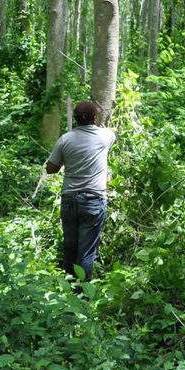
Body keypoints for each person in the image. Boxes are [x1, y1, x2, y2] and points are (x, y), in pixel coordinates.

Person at [45, 100, 116, 281]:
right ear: (94, 118)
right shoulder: (105, 136)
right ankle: (82, 293)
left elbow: (50, 169)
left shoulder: (65, 139)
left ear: (75, 119)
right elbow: (110, 133)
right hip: (93, 199)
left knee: (70, 246)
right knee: (86, 251)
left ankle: (68, 290)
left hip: (69, 199)